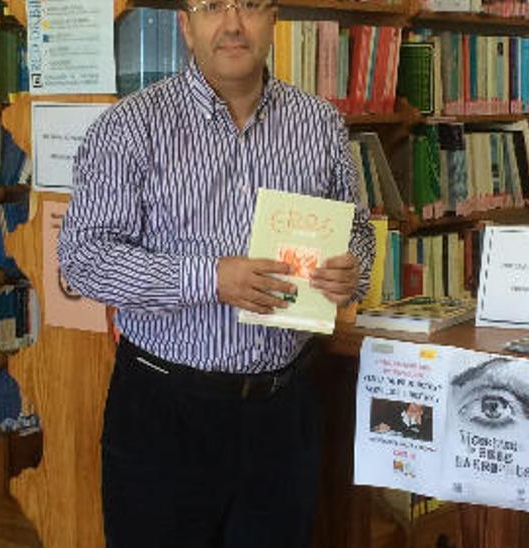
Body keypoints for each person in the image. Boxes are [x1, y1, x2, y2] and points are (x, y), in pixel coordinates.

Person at [55, 0, 376, 544]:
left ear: (273, 19)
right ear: (186, 25)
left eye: (249, 5)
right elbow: (84, 259)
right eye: (211, 8)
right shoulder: (129, 127)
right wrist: (209, 280)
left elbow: (358, 233)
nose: (232, 24)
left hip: (284, 408)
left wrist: (353, 271)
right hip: (165, 414)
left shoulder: (319, 123)